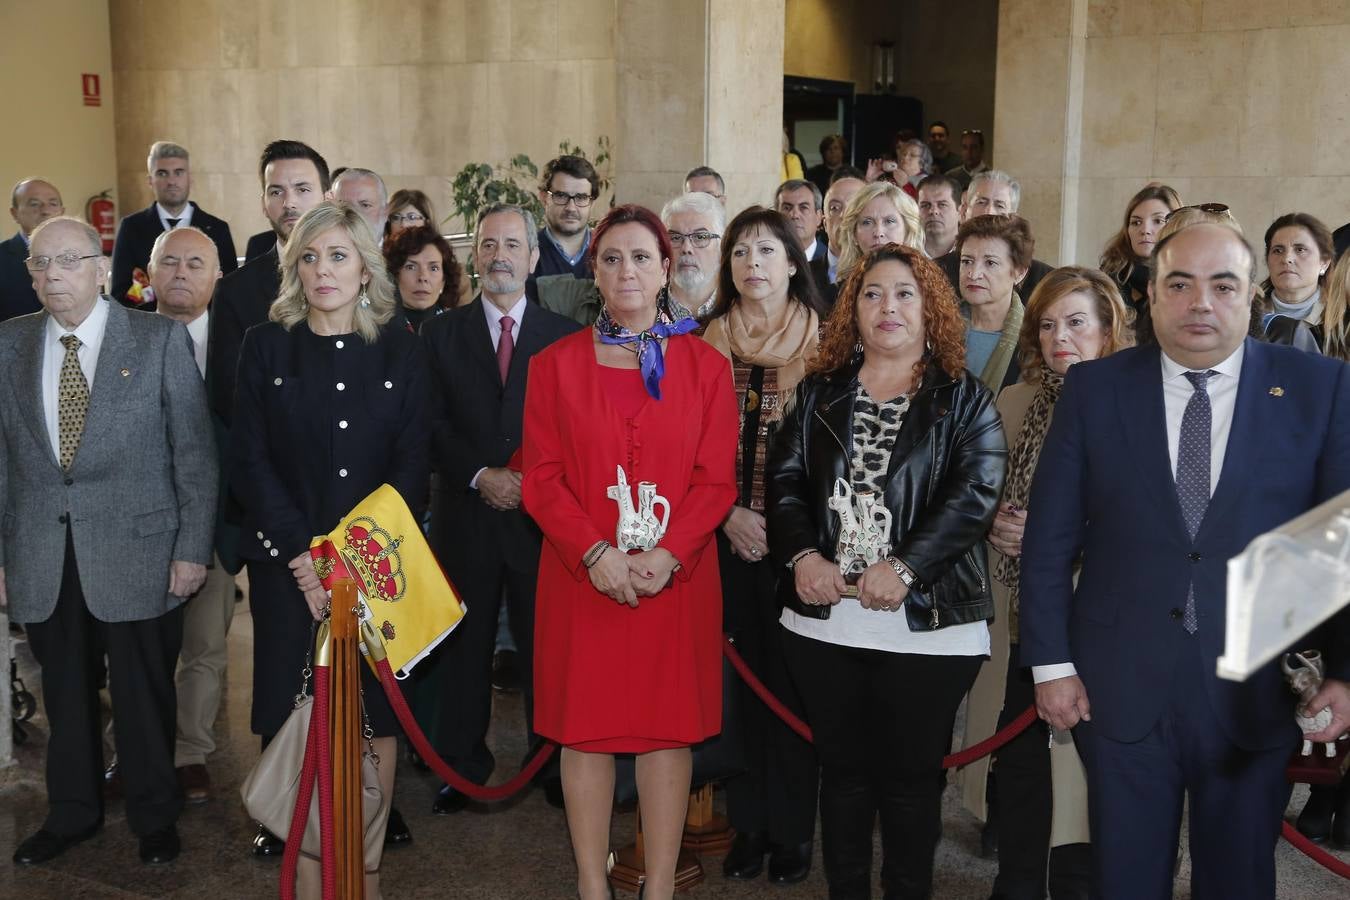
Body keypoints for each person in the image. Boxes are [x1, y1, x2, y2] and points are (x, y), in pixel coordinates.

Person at [1020, 222, 1350, 900]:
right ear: (1150, 295)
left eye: (1223, 285)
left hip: (1254, 687)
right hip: (1115, 685)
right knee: (1126, 878)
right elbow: (1049, 538)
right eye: (1180, 283)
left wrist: (1343, 673)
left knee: (1238, 879)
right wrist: (1050, 665)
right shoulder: (1094, 389)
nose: (1202, 302)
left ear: (1251, 295)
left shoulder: (1321, 388)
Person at [766, 242, 1006, 899]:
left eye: (904, 293)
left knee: (908, 781)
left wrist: (905, 567)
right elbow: (782, 482)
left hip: (928, 628)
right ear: (853, 309)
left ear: (931, 308)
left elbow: (974, 497)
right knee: (840, 776)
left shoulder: (966, 400)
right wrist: (801, 557)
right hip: (823, 620)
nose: (887, 307)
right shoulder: (818, 392)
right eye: (871, 293)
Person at [520, 204, 737, 900]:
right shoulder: (553, 367)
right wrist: (594, 554)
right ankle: (591, 883)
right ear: (594, 269)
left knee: (666, 737)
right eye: (612, 257)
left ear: (666, 267)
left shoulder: (706, 367)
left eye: (642, 257)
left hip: (676, 580)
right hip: (582, 579)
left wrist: (670, 554)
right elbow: (543, 478)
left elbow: (716, 480)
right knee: (583, 735)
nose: (627, 271)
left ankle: (659, 887)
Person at [229, 201, 430, 896]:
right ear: (293, 268)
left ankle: (363, 870)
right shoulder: (265, 345)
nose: (323, 270)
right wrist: (308, 559)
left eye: (338, 255)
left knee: (375, 719)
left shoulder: (401, 347)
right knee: (295, 712)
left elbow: (411, 463)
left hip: (377, 571)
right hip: (291, 576)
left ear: (365, 267)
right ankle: (311, 868)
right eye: (309, 257)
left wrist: (352, 560)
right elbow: (249, 461)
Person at [3, 216, 217, 867]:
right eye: (40, 264)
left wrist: (190, 549)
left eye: (67, 261)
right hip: (43, 551)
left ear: (100, 268)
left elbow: (195, 455)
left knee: (142, 692)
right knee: (63, 694)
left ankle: (155, 816)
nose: (51, 276)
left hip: (142, 552)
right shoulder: (9, 345)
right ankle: (71, 814)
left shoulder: (154, 342)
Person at [961, 267, 1132, 900]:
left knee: (1092, 764)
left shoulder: (1133, 403)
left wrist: (1061, 539)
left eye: (1077, 322)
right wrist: (996, 526)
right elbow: (976, 492)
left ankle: (1081, 880)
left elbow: (1145, 517)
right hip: (1021, 610)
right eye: (1049, 324)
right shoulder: (1015, 400)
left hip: (1100, 614)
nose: (1061, 337)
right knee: (1023, 752)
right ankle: (1019, 878)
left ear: (1109, 326)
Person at [419, 204, 580, 814]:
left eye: (513, 245)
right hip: (465, 516)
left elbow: (572, 433)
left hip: (542, 524)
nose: (500, 256)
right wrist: (480, 474)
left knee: (546, 647)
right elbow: (428, 424)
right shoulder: (439, 334)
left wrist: (526, 482)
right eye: (489, 245)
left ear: (534, 258)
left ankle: (550, 763)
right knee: (466, 647)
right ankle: (461, 767)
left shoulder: (564, 336)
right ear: (474, 255)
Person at [701, 207, 823, 885]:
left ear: (792, 261)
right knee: (740, 686)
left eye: (767, 250)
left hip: (800, 546)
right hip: (724, 539)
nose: (753, 263)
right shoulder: (705, 342)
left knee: (795, 686)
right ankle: (747, 823)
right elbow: (686, 449)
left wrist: (783, 527)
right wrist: (726, 514)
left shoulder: (827, 344)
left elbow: (834, 459)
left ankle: (793, 830)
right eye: (741, 252)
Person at [146, 227, 236, 805]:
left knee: (205, 646)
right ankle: (131, 748)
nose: (182, 273)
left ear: (216, 278)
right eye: (170, 262)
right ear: (148, 273)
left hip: (219, 523)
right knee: (138, 649)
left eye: (195, 264)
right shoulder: (120, 341)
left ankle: (190, 754)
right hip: (137, 526)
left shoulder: (241, 344)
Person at [208, 139, 330, 431]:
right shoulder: (234, 292)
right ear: (264, 203)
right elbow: (228, 395)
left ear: (328, 199)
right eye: (277, 192)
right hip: (273, 460)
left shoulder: (369, 277)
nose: (289, 203)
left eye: (302, 189)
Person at [110, 141, 238, 307]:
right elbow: (119, 295)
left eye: (178, 172)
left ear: (190, 178)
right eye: (162, 173)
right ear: (150, 180)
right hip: (148, 326)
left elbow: (229, 291)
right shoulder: (131, 228)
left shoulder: (217, 229)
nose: (171, 181)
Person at [957, 214, 1035, 393]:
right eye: (967, 261)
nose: (974, 274)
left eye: (990, 263)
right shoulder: (937, 326)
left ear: (1019, 272)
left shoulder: (1034, 338)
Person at [1099, 184, 1184, 343]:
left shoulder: (1190, 281)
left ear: (1176, 226)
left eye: (1158, 221)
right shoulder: (1107, 280)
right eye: (1136, 222)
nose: (1145, 230)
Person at [1257, 212, 1333, 350]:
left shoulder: (1342, 323)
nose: (1287, 259)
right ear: (1267, 260)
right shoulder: (1246, 315)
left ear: (1324, 263)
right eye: (1278, 250)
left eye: (1300, 249)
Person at [834, 181, 923, 290]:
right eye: (867, 222)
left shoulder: (928, 287)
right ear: (853, 234)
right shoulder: (835, 294)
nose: (878, 233)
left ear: (908, 230)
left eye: (889, 221)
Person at [2, 178, 64, 321]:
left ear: (62, 212)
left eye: (53, 204)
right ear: (14, 213)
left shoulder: (82, 256)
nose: (45, 211)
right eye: (34, 204)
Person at [383, 224, 463, 330]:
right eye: (411, 267)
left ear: (444, 280)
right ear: (394, 275)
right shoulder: (375, 332)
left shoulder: (458, 330)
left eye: (433, 268)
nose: (423, 277)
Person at [661, 191, 725, 320]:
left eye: (700, 237)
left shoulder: (742, 310)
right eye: (675, 238)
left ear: (722, 245)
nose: (686, 248)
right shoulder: (644, 311)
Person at [534, 155, 600, 279]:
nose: (571, 207)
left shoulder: (607, 252)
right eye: (561, 196)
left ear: (591, 203)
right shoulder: (526, 253)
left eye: (581, 198)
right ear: (544, 198)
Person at [823, 167, 866, 286]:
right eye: (835, 208)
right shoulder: (801, 277)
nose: (845, 215)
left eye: (854, 206)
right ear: (825, 224)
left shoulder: (887, 274)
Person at [332, 167, 389, 241]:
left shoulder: (401, 250)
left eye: (365, 205)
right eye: (344, 205)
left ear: (385, 212)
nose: (355, 213)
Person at [917, 174, 962, 262]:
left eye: (942, 205)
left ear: (960, 212)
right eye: (925, 205)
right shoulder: (904, 253)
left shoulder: (972, 253)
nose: (933, 211)